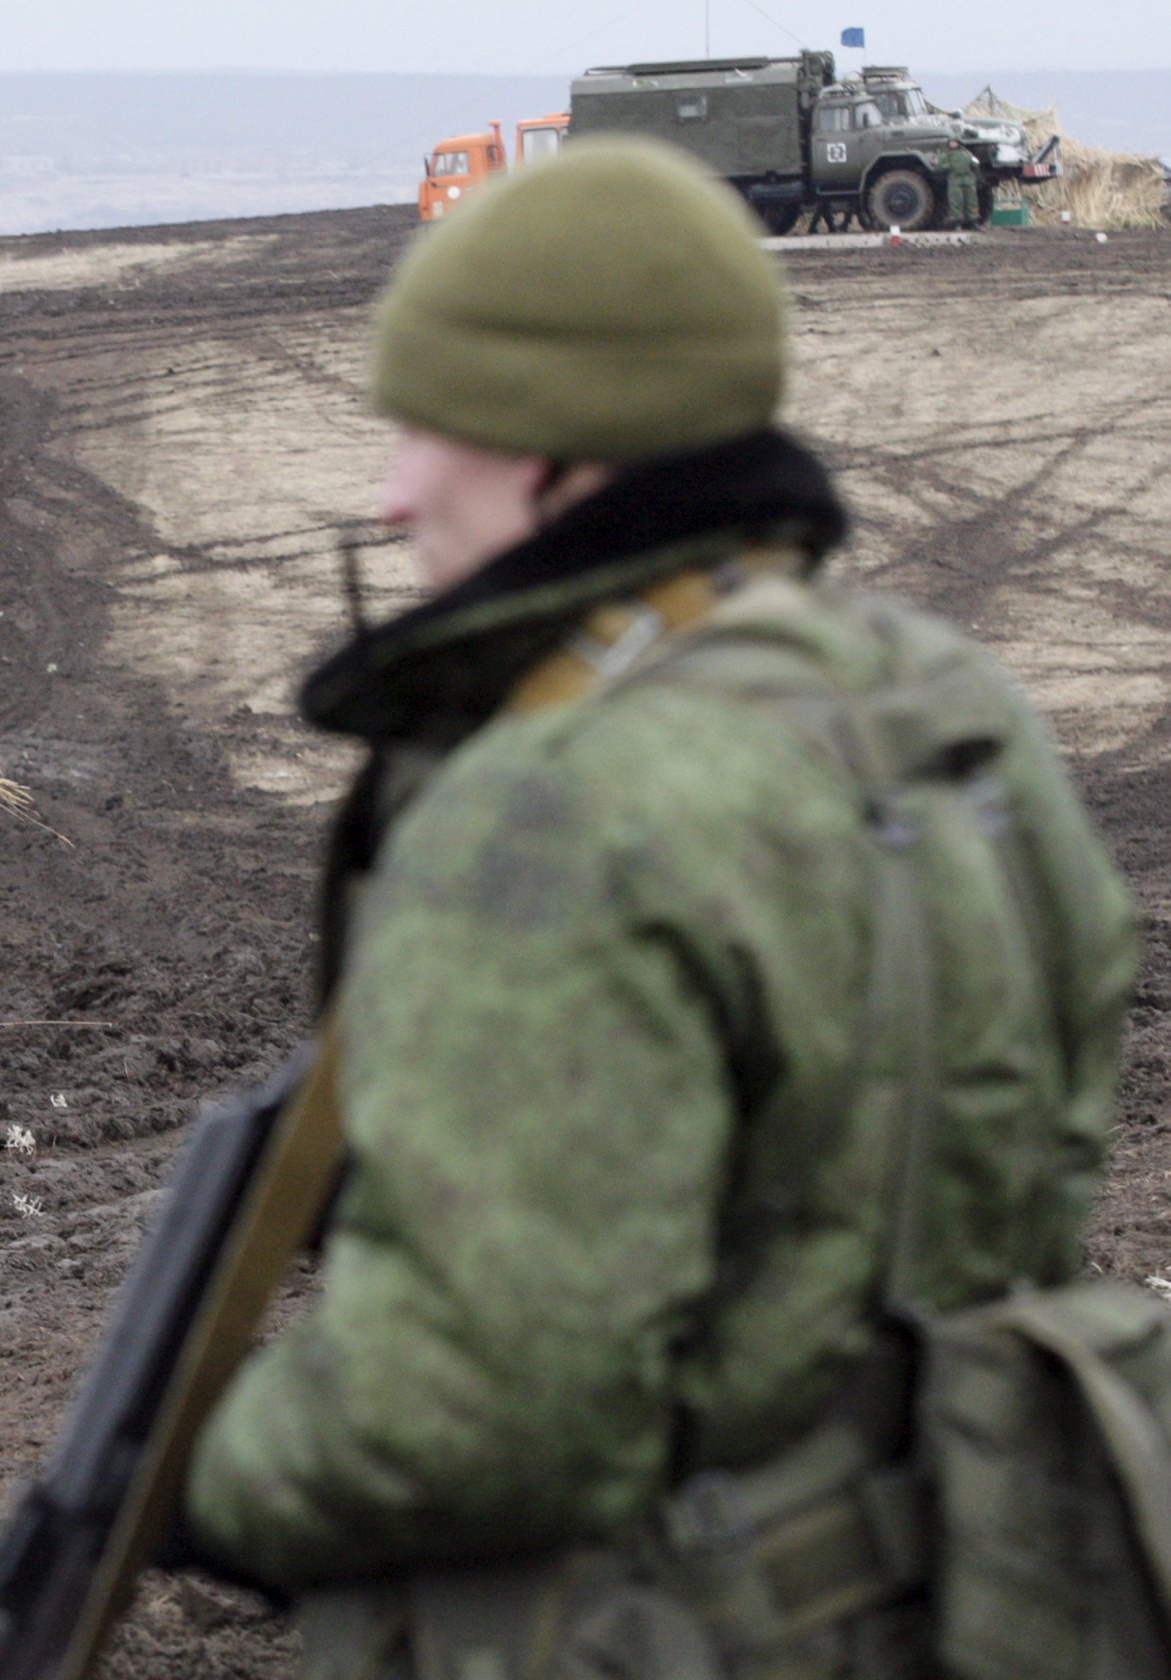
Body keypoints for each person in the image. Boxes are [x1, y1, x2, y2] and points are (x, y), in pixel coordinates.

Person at [175, 137, 1136, 1679]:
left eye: (437, 428)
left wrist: (214, 1485)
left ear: (563, 455)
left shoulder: (554, 804)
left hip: (682, 1627)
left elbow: (483, 1406)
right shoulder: (940, 702)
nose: (395, 489)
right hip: (987, 1586)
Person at [942, 138, 984, 228]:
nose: (952, 144)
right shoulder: (947, 155)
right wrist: (950, 166)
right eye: (951, 143)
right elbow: (940, 167)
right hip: (955, 180)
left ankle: (974, 221)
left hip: (968, 179)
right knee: (956, 201)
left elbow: (976, 164)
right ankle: (957, 223)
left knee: (972, 201)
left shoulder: (968, 154)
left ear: (959, 143)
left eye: (954, 142)